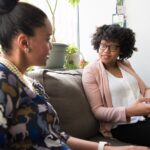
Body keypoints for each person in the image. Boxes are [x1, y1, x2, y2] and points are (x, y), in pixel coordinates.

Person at [0, 1, 149, 150]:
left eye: (113, 47)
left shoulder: (33, 85)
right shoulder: (3, 82)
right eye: (47, 39)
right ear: (24, 42)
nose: (52, 45)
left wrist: (111, 149)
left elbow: (56, 136)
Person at [82, 24, 150, 147]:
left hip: (144, 117)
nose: (106, 51)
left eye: (113, 47)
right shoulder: (91, 71)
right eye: (103, 45)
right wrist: (129, 112)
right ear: (98, 44)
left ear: (121, 49)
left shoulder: (125, 65)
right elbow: (98, 111)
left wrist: (148, 103)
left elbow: (145, 89)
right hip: (122, 126)